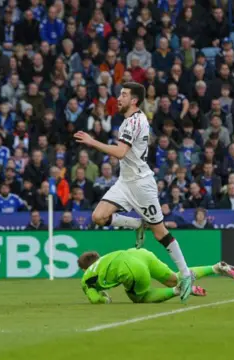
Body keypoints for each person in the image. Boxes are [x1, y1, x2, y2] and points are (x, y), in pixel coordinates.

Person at [74, 82, 195, 303]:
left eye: (124, 94)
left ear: (135, 100)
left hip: (141, 184)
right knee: (98, 216)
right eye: (120, 93)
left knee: (160, 233)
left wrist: (92, 142)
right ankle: (138, 224)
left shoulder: (135, 121)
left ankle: (185, 274)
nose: (119, 98)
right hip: (125, 181)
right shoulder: (129, 121)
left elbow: (120, 152)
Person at [78, 248, 234, 304]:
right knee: (174, 278)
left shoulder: (87, 277)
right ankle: (216, 268)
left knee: (139, 298)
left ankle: (177, 291)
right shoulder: (105, 259)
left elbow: (94, 299)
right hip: (138, 254)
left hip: (130, 267)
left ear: (85, 268)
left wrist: (105, 299)